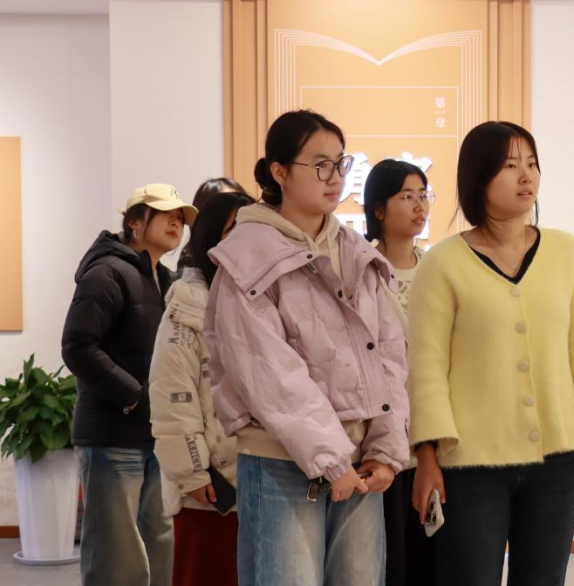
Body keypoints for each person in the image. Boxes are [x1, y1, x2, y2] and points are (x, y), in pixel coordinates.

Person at [409, 121, 574, 586]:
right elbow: (426, 368)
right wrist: (426, 458)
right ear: (478, 178)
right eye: (509, 166)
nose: (526, 176)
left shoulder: (567, 253)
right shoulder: (442, 263)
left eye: (531, 164)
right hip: (469, 466)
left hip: (556, 463)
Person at [204, 109, 410, 586]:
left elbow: (389, 355)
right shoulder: (246, 256)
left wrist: (385, 449)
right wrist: (331, 460)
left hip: (360, 463)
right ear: (279, 172)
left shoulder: (356, 250)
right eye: (320, 165)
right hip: (281, 462)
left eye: (341, 163)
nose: (335, 177)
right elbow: (268, 374)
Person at [63, 184, 197, 586]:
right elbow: (77, 346)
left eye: (181, 218)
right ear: (135, 222)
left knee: (159, 548)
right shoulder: (107, 273)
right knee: (116, 560)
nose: (176, 223)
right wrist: (134, 395)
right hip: (112, 437)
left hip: (157, 437)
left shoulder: (166, 280)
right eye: (166, 214)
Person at [149, 188, 255, 586]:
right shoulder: (187, 305)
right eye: (233, 230)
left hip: (262, 478)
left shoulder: (264, 298)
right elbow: (172, 397)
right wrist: (193, 473)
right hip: (211, 489)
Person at [362, 159, 435, 586]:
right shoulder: (360, 271)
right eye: (407, 196)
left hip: (432, 438)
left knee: (432, 558)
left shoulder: (437, 271)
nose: (419, 206)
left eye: (423, 195)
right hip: (381, 442)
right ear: (379, 209)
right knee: (390, 561)